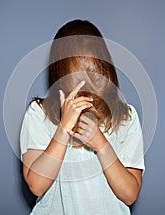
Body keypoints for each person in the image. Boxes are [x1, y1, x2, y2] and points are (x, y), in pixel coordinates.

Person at [20, 19, 145, 215]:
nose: (87, 83)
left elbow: (130, 194)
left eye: (94, 73)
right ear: (60, 72)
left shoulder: (127, 117)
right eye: (77, 74)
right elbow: (36, 185)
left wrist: (101, 144)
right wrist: (62, 130)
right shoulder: (39, 113)